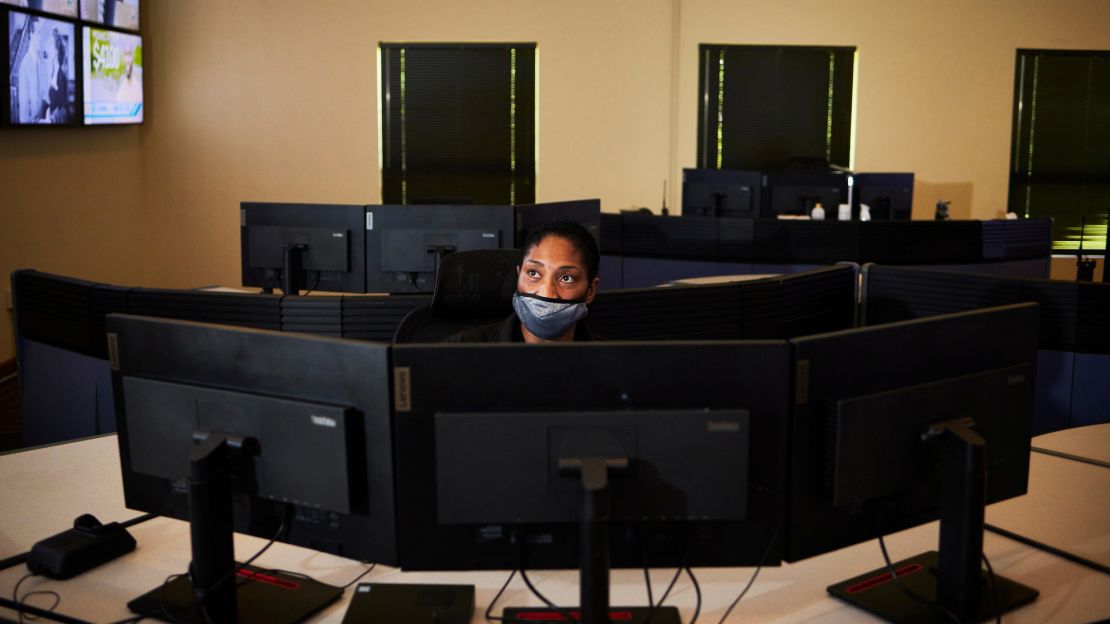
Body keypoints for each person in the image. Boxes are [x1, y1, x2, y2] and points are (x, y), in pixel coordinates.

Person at [447, 220, 601, 343]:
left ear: (590, 291)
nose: (546, 292)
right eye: (533, 273)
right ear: (518, 275)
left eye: (566, 278)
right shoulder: (458, 353)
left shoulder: (614, 362)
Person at [16, 15, 46, 123]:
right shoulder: (24, 65)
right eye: (38, 33)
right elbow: (23, 111)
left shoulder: (41, 61)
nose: (40, 37)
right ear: (31, 35)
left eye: (40, 33)